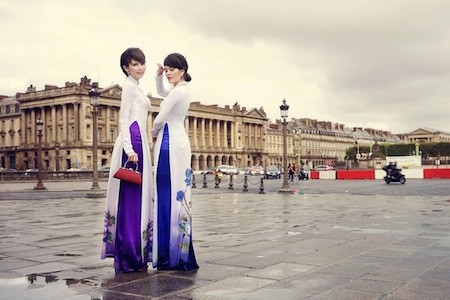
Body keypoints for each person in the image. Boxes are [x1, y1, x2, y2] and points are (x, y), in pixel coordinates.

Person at [101, 48, 153, 273]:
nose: (140, 67)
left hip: (139, 137)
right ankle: (131, 254)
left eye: (142, 63)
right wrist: (129, 148)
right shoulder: (129, 88)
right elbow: (124, 119)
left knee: (136, 198)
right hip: (133, 139)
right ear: (126, 67)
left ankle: (135, 252)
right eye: (135, 64)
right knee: (132, 199)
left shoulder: (137, 87)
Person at [151, 53, 199, 270]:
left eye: (172, 69)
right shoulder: (182, 90)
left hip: (168, 143)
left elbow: (160, 117)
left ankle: (167, 252)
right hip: (180, 141)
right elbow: (162, 93)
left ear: (182, 71)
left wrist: (153, 132)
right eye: (167, 68)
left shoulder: (177, 92)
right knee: (178, 194)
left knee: (165, 192)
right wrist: (158, 77)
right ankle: (179, 248)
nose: (168, 72)